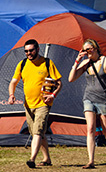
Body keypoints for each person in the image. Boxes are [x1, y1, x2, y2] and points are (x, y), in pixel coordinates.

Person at [8, 39, 62, 169]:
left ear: (37, 49)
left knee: (38, 130)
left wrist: (52, 95)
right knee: (36, 133)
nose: (28, 53)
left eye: (31, 50)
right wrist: (11, 95)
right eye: (26, 51)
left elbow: (59, 83)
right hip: (28, 105)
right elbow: (13, 82)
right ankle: (47, 158)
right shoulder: (22, 64)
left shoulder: (47, 63)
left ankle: (32, 158)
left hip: (43, 104)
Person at [68, 39, 106, 169]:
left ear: (96, 48)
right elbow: (71, 78)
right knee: (90, 128)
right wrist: (77, 61)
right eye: (85, 50)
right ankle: (91, 160)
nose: (87, 52)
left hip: (103, 98)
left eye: (89, 49)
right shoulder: (86, 63)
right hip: (89, 97)